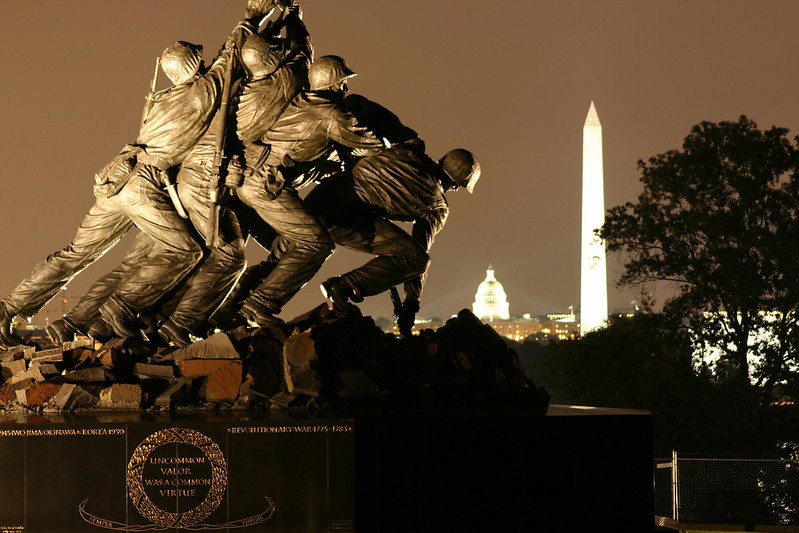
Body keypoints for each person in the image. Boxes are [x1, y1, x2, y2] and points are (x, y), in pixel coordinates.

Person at [0, 2, 273, 347]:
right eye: (200, 62)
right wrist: (253, 16)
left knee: (74, 253)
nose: (205, 64)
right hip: (142, 185)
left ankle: (8, 309)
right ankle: (121, 310)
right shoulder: (201, 95)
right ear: (195, 66)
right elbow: (230, 55)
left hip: (115, 176)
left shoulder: (160, 99)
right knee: (186, 251)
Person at [224, 53, 385, 330]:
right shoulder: (332, 115)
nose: (346, 89)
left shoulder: (300, 102)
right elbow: (374, 146)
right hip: (266, 187)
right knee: (317, 244)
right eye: (343, 83)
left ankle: (232, 304)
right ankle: (260, 304)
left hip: (253, 181)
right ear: (334, 86)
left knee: (283, 249)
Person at [303, 94, 480, 336]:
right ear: (457, 185)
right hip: (342, 218)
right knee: (416, 260)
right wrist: (410, 303)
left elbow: (371, 110)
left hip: (319, 200)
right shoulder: (437, 207)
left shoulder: (410, 146)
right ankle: (341, 288)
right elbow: (419, 256)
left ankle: (339, 288)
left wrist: (343, 102)